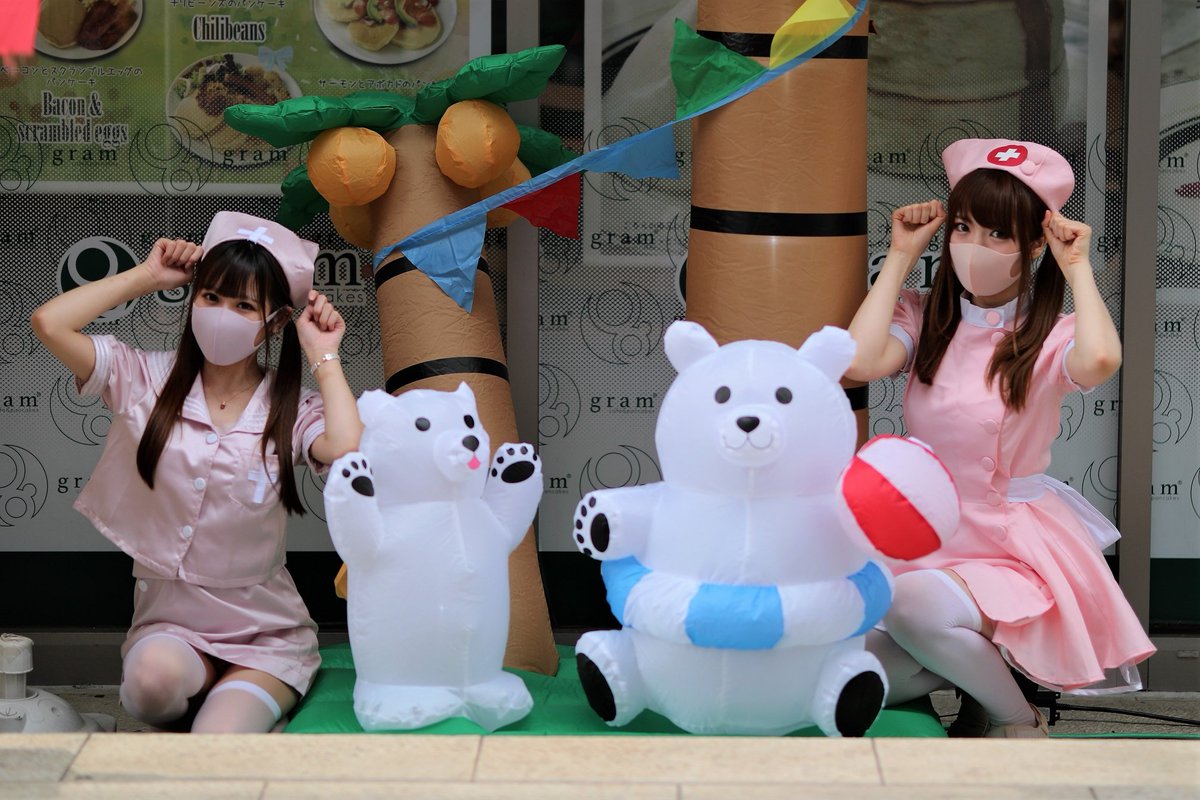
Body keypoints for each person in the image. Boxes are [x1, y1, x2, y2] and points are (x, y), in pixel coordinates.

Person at [844, 139, 1155, 738]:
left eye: (998, 235)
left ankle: (1018, 721)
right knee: (850, 666)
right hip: (920, 534)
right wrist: (902, 254)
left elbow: (1099, 360)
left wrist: (1078, 266)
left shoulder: (1049, 334)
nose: (974, 246)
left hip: (1007, 544)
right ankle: (972, 678)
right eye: (963, 228)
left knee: (912, 607)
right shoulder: (925, 315)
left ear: (1034, 245)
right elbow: (858, 361)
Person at [31, 211, 363, 733]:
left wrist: (325, 356)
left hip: (264, 637)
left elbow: (344, 448)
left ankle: (237, 708)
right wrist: (147, 276)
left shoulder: (289, 406)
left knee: (217, 740)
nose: (222, 314)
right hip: (171, 630)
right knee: (148, 688)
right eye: (211, 297)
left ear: (276, 321)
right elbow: (50, 323)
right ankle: (214, 703)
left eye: (244, 305)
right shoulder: (143, 377)